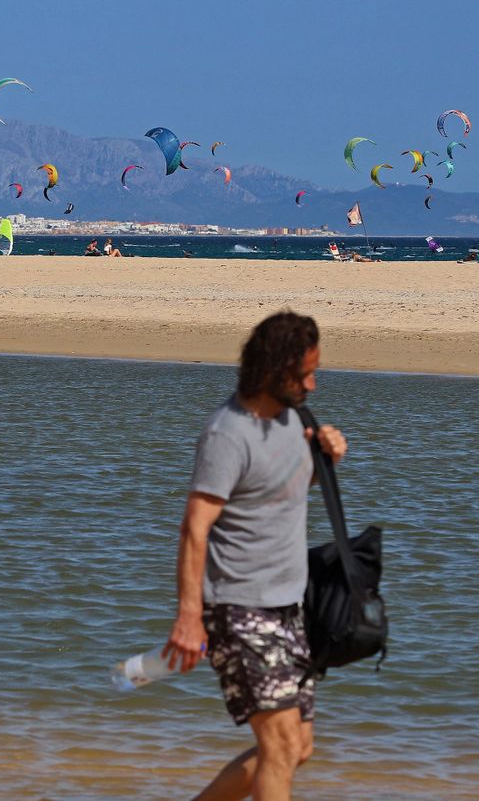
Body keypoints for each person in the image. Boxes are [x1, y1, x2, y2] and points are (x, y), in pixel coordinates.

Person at [165, 312, 348, 801]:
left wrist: (324, 461)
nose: (312, 385)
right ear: (273, 371)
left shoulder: (294, 420)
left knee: (298, 747)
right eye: (304, 374)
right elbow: (194, 527)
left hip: (290, 608)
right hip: (237, 607)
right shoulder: (227, 435)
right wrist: (189, 617)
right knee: (280, 746)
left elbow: (275, 492)